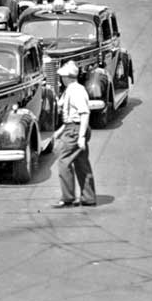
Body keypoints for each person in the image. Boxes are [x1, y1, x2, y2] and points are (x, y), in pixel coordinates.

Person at [51, 61, 96, 208]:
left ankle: (68, 198)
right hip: (72, 128)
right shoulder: (73, 89)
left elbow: (84, 113)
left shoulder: (75, 91)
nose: (61, 79)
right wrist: (61, 130)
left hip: (75, 130)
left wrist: (81, 136)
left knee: (64, 161)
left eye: (62, 76)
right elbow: (72, 115)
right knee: (81, 162)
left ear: (67, 77)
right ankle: (88, 197)